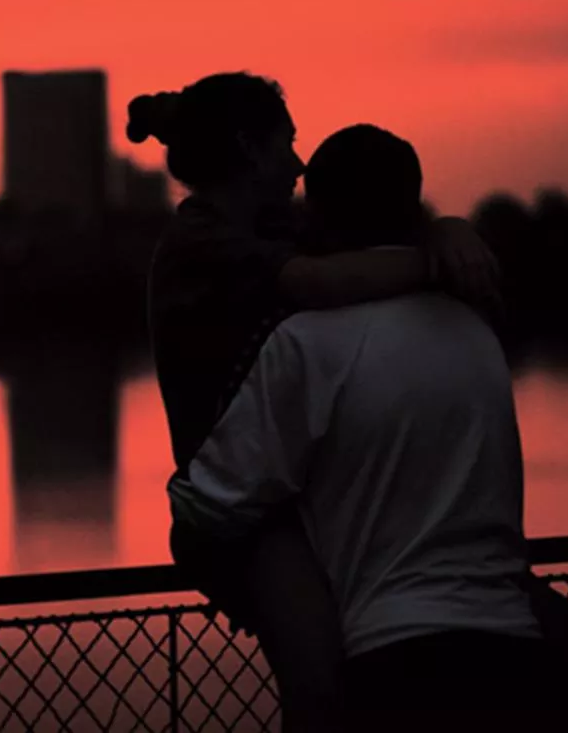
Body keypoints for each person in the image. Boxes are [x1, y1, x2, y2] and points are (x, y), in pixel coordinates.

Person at [172, 123, 568, 732]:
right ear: (414, 208)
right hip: (519, 658)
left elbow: (212, 503)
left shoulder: (306, 344)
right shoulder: (476, 331)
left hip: (396, 662)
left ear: (317, 216)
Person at [129, 73, 502, 731]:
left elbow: (363, 240)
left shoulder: (267, 226)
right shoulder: (202, 243)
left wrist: (446, 226)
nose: (298, 164)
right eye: (287, 143)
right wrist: (437, 261)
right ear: (249, 148)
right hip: (237, 511)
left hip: (287, 488)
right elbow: (320, 281)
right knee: (323, 686)